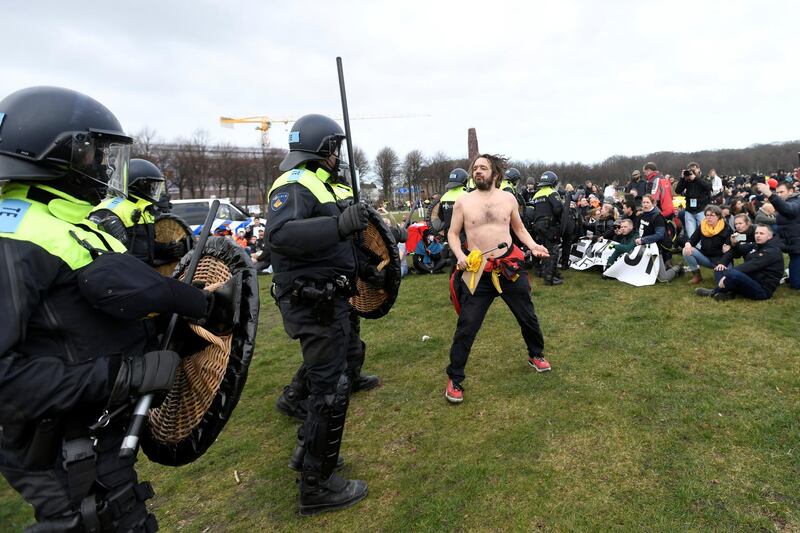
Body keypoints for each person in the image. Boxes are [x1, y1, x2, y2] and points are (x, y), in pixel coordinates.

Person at [0, 86, 236, 531]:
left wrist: (174, 331)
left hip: (95, 438)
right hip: (62, 452)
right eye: (94, 153)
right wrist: (121, 375)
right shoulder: (12, 238)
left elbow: (87, 311)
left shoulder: (62, 220)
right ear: (56, 153)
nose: (104, 167)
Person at [265, 113, 368, 515]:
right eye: (335, 147)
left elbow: (339, 241)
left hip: (332, 298)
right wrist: (340, 224)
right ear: (322, 148)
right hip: (313, 302)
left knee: (332, 380)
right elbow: (281, 236)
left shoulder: (323, 184)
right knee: (329, 390)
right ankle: (317, 485)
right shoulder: (293, 184)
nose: (338, 155)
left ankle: (309, 454)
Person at [444, 154, 551, 404]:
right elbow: (452, 232)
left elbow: (519, 229)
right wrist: (460, 254)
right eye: (475, 168)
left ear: (495, 174)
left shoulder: (508, 199)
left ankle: (536, 354)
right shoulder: (463, 201)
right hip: (478, 270)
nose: (478, 171)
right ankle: (455, 377)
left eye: (483, 168)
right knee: (467, 325)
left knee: (528, 316)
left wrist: (534, 246)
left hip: (508, 267)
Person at [89, 159, 186, 266]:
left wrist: (168, 250)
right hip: (121, 277)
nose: (154, 191)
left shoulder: (143, 210)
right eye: (152, 186)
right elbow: (104, 253)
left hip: (141, 273)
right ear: (140, 185)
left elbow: (142, 247)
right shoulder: (108, 210)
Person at [696, 225, 784, 301]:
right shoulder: (758, 245)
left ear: (769, 236)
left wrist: (727, 275)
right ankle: (729, 294)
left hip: (762, 290)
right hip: (752, 281)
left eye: (761, 233)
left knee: (733, 273)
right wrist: (734, 243)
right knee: (724, 270)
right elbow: (739, 250)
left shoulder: (772, 251)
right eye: (756, 233)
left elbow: (751, 265)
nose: (758, 236)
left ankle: (714, 292)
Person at [756, 180, 800, 289]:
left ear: (791, 191)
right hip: (791, 245)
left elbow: (788, 210)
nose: (779, 195)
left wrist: (771, 195)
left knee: (796, 284)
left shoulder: (796, 203)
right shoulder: (786, 202)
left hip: (797, 247)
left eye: (781, 192)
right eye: (777, 192)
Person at [635, 194, 684, 282]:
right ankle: (664, 265)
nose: (645, 204)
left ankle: (678, 267)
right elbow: (637, 231)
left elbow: (659, 235)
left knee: (663, 278)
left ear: (653, 204)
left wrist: (643, 240)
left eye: (647, 202)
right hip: (643, 248)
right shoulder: (641, 215)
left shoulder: (657, 217)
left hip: (656, 249)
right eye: (643, 202)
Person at [681, 205, 732, 285]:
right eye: (707, 215)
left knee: (725, 281)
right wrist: (688, 244)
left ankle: (720, 271)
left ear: (718, 216)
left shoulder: (726, 228)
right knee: (686, 250)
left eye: (712, 215)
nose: (709, 217)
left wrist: (722, 263)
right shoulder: (703, 226)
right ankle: (697, 275)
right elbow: (692, 240)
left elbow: (729, 251)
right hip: (706, 257)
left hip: (722, 259)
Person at [530, 170, 564, 285]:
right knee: (553, 250)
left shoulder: (537, 194)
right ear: (553, 182)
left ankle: (544, 271)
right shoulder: (552, 193)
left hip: (538, 226)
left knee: (543, 249)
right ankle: (549, 278)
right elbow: (558, 209)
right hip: (550, 225)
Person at [675, 165, 712, 240]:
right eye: (691, 170)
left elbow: (709, 187)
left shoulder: (704, 178)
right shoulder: (687, 180)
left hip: (701, 210)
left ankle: (702, 250)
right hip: (689, 210)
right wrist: (682, 178)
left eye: (694, 170)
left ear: (698, 169)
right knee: (691, 235)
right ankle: (694, 250)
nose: (692, 172)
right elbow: (678, 191)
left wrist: (696, 178)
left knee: (703, 232)